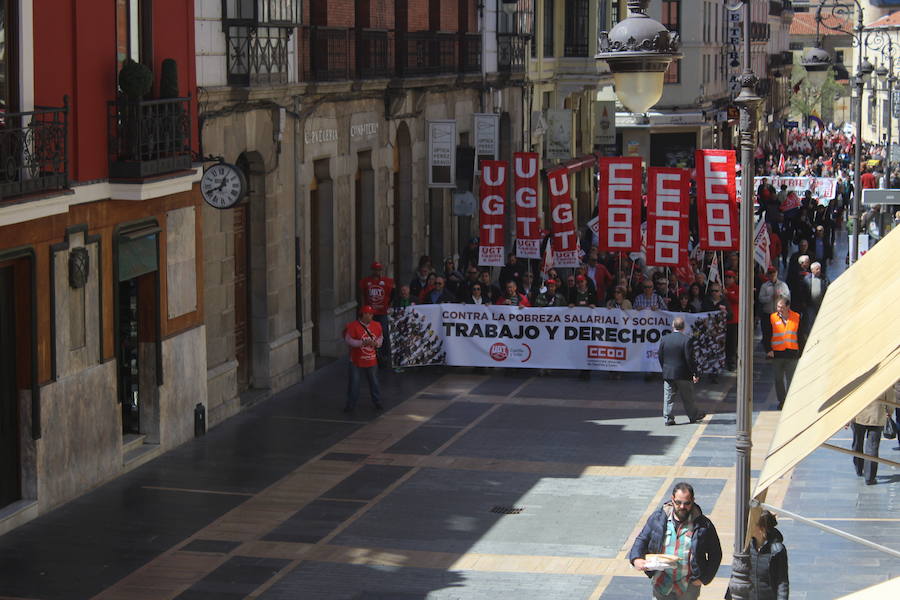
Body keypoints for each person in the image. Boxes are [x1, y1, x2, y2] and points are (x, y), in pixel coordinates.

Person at [629, 482, 722, 599]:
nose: (682, 507)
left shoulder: (703, 525)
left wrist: (703, 579)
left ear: (693, 500)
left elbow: (716, 553)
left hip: (688, 587)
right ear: (672, 499)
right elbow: (641, 540)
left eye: (687, 503)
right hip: (661, 583)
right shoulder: (658, 519)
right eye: (678, 502)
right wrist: (636, 559)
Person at [657, 317, 705, 426]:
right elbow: (689, 359)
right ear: (683, 327)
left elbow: (660, 355)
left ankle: (668, 418)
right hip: (683, 374)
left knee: (668, 397)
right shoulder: (686, 340)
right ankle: (693, 416)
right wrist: (695, 373)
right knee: (688, 397)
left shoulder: (665, 339)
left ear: (673, 326)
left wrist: (664, 368)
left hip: (668, 373)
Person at [738, 510, 790, 600]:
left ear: (762, 528)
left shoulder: (777, 551)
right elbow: (738, 572)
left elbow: (782, 582)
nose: (749, 527)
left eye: (752, 524)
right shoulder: (747, 547)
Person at [343, 306, 383, 413]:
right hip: (356, 360)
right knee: (354, 383)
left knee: (374, 382)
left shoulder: (377, 325)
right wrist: (363, 343)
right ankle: (350, 405)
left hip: (371, 359)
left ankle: (377, 401)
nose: (371, 316)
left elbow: (380, 338)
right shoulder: (353, 326)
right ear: (363, 314)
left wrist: (376, 344)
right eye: (368, 314)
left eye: (371, 314)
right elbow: (348, 340)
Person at [851, 390, 894, 485]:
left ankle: (858, 469)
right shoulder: (884, 376)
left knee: (857, 443)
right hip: (877, 414)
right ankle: (869, 477)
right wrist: (890, 411)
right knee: (872, 447)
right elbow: (891, 394)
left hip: (857, 414)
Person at [359, 261, 394, 366]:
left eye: (378, 270)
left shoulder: (387, 282)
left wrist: (389, 305)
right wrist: (362, 310)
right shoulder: (365, 282)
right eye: (375, 269)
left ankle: (385, 356)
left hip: (382, 312)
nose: (377, 272)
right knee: (369, 334)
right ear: (372, 270)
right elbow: (362, 295)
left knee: (384, 333)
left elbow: (393, 293)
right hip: (370, 314)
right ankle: (371, 356)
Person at [768, 298, 801, 410]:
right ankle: (782, 401)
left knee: (791, 379)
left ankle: (790, 401)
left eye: (781, 307)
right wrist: (768, 349)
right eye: (778, 307)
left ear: (788, 307)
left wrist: (801, 350)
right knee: (778, 379)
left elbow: (801, 334)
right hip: (777, 354)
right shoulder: (772, 317)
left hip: (792, 353)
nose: (779, 309)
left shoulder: (796, 317)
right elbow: (767, 333)